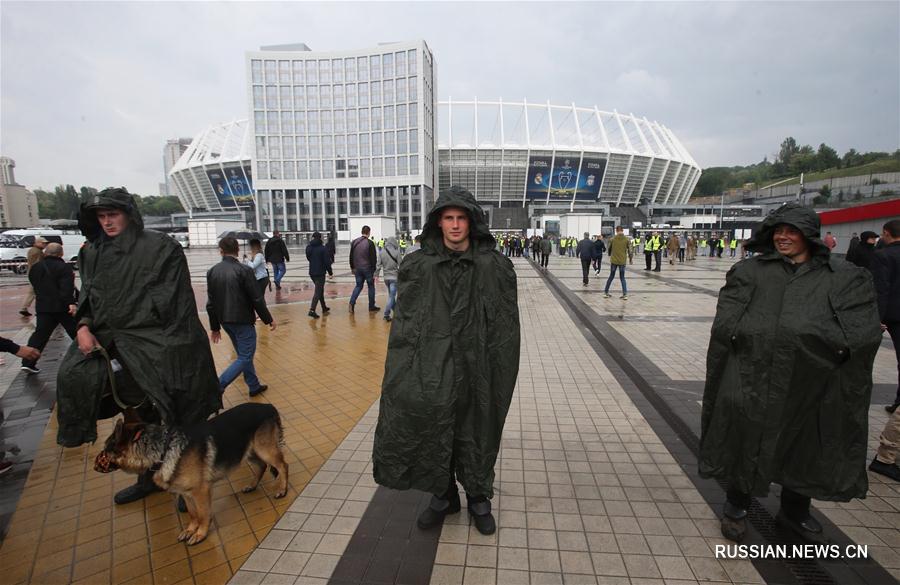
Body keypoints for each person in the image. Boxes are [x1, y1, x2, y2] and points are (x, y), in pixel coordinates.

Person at [700, 203, 881, 544]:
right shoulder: (752, 271)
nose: (782, 237)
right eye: (778, 231)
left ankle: (795, 510)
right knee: (747, 436)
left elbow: (862, 329)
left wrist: (826, 346)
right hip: (755, 374)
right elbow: (728, 320)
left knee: (804, 442)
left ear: (808, 235)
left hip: (811, 377)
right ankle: (737, 505)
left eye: (791, 231)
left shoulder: (840, 275)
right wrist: (749, 336)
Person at [57, 187, 222, 507]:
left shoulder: (162, 248)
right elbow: (87, 298)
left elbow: (177, 306)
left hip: (163, 345)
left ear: (129, 215)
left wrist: (168, 350)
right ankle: (148, 477)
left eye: (112, 215)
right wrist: (83, 326)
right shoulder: (92, 252)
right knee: (130, 414)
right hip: (117, 347)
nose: (106, 222)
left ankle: (187, 477)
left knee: (177, 412)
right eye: (101, 217)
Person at [373, 186, 520, 536]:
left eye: (461, 218)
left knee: (477, 429)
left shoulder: (494, 267)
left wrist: (496, 369)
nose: (455, 225)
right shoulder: (418, 266)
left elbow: (506, 327)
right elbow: (406, 327)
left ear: (471, 222)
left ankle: (479, 495)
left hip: (479, 367)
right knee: (434, 427)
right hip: (433, 367)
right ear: (438, 222)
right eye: (449, 218)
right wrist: (406, 372)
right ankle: (443, 494)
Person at [207, 236, 275, 397]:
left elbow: (211, 303)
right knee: (245, 356)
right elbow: (256, 298)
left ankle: (253, 385)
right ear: (237, 250)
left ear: (221, 251)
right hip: (243, 320)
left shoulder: (213, 271)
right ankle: (218, 386)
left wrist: (215, 327)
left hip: (225, 320)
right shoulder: (244, 270)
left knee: (244, 355)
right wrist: (268, 319)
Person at [20, 243, 78, 374]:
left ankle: (28, 362)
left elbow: (34, 284)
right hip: (62, 307)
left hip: (43, 306)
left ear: (46, 253)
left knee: (40, 335)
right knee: (76, 332)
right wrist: (71, 303)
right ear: (61, 254)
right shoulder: (64, 268)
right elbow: (67, 288)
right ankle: (91, 356)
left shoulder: (36, 267)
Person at [872, 219, 900, 414]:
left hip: (893, 314)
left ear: (887, 233)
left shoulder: (884, 255)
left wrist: (877, 318)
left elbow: (882, 289)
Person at [349, 225, 380, 314]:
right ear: (369, 232)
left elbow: (351, 256)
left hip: (357, 269)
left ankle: (351, 303)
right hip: (367, 269)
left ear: (362, 231)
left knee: (358, 286)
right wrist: (374, 270)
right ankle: (371, 306)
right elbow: (373, 258)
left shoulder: (354, 242)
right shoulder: (370, 243)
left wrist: (352, 267)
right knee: (371, 287)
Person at [19, 236, 48, 317]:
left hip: (32, 273)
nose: (45, 245)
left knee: (32, 292)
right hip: (36, 274)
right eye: (43, 243)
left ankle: (24, 308)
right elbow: (39, 264)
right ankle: (27, 308)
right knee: (37, 292)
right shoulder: (38, 252)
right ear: (37, 243)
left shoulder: (32, 250)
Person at [306, 232, 332, 319]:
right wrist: (330, 272)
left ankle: (324, 307)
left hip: (312, 272)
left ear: (313, 238)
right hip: (320, 273)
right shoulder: (323, 248)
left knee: (320, 289)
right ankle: (312, 310)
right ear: (320, 238)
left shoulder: (308, 248)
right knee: (318, 291)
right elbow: (327, 262)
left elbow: (308, 258)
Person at [376, 236, 402, 321]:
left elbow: (378, 265)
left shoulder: (382, 252)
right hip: (394, 277)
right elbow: (401, 265)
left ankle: (396, 312)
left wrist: (376, 275)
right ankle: (386, 314)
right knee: (391, 297)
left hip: (386, 278)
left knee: (391, 296)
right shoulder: (397, 252)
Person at [603, 226, 629, 300]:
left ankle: (606, 292)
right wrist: (630, 259)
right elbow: (630, 250)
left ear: (616, 231)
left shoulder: (612, 239)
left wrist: (609, 255)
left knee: (611, 276)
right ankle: (625, 294)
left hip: (614, 261)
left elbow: (609, 249)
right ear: (622, 230)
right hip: (622, 261)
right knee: (622, 278)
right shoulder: (627, 239)